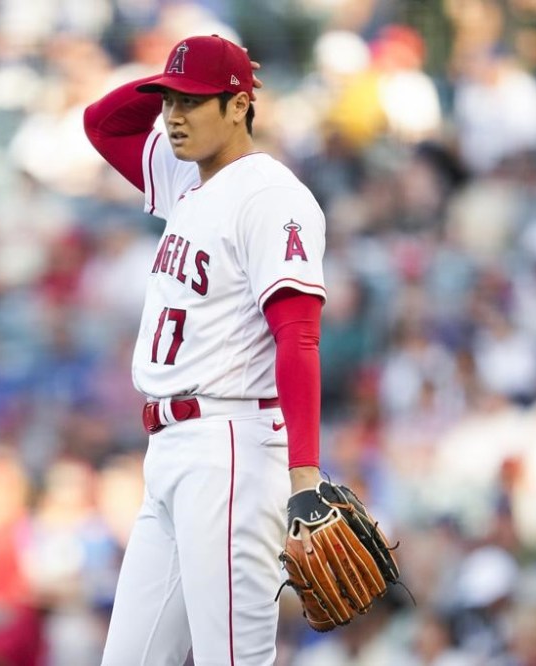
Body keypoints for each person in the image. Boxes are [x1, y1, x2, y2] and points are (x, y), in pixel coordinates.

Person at [83, 35, 327, 664]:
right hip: (169, 454)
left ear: (240, 105)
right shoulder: (185, 174)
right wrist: (179, 73)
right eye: (168, 100)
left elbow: (297, 334)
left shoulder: (271, 196)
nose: (173, 116)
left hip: (231, 447)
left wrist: (305, 476)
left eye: (192, 102)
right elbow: (102, 122)